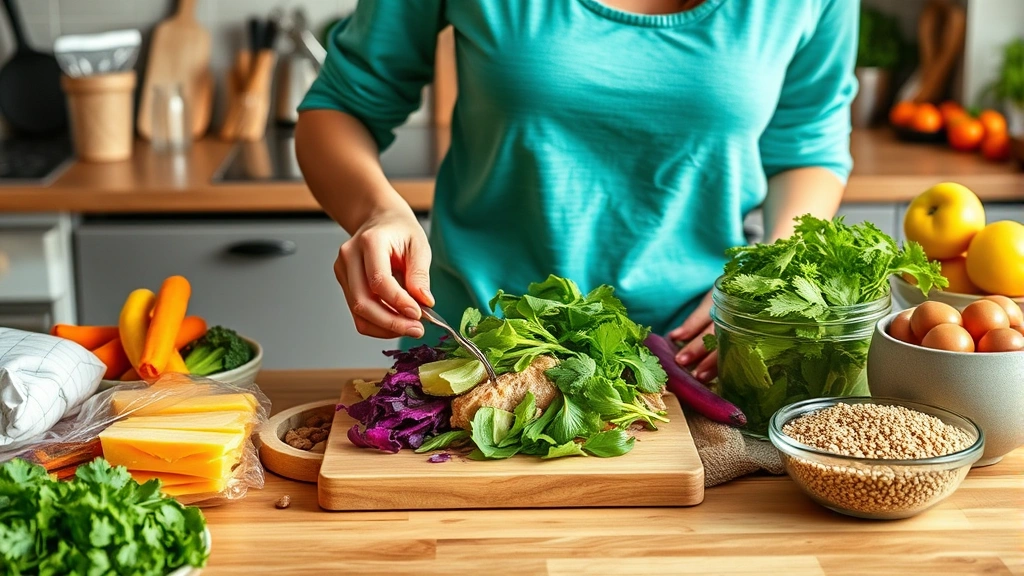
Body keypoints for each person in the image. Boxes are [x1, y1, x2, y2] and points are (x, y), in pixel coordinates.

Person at [295, 0, 858, 381]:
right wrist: (377, 212)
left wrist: (760, 288)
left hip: (701, 366)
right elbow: (343, 106)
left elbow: (808, 146)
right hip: (484, 355)